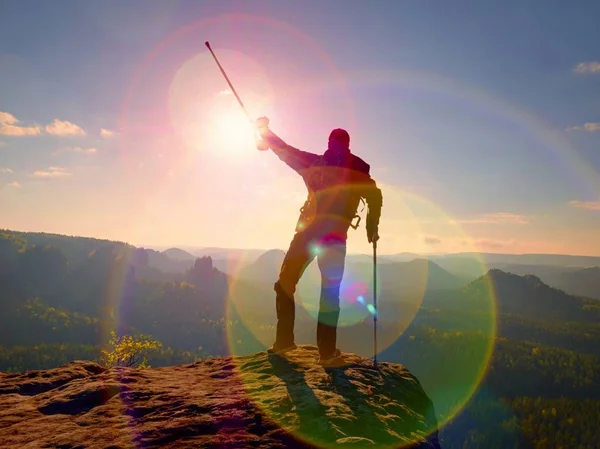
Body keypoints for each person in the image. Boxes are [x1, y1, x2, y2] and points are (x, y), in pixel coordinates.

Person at [256, 117, 383, 366]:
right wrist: (372, 225)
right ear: (347, 145)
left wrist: (265, 131)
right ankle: (325, 353)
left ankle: (285, 342)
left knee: (285, 283)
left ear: (331, 143)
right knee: (328, 292)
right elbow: (375, 196)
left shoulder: (315, 163)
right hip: (333, 238)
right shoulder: (356, 169)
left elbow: (285, 151)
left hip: (307, 233)